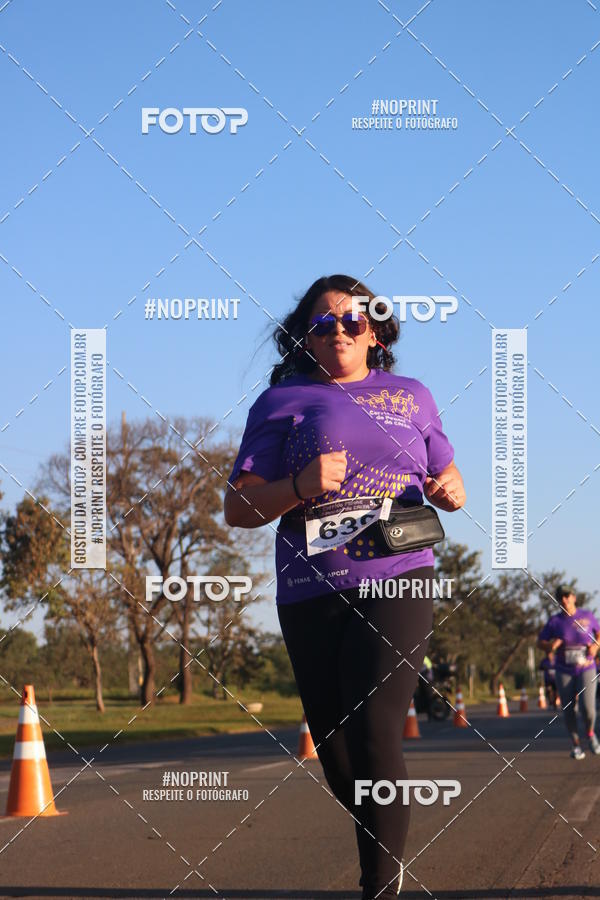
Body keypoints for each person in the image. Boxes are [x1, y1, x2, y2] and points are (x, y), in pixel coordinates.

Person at [224, 274, 466, 898]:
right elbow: (240, 509)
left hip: (399, 578)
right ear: (305, 337)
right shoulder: (281, 403)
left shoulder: (412, 396)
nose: (338, 331)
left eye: (351, 320)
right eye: (322, 323)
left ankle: (379, 887)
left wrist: (453, 490)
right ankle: (383, 848)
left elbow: (448, 473)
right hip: (310, 588)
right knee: (337, 753)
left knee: (376, 729)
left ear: (376, 330)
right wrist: (300, 484)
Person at [537, 584, 600, 759]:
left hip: (586, 667)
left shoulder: (587, 616)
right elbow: (540, 642)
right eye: (560, 597)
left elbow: (599, 634)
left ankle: (590, 733)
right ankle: (575, 744)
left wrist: (595, 646)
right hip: (564, 670)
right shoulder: (555, 622)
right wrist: (550, 645)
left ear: (574, 597)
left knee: (588, 709)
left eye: (566, 595)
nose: (564, 599)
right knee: (569, 708)